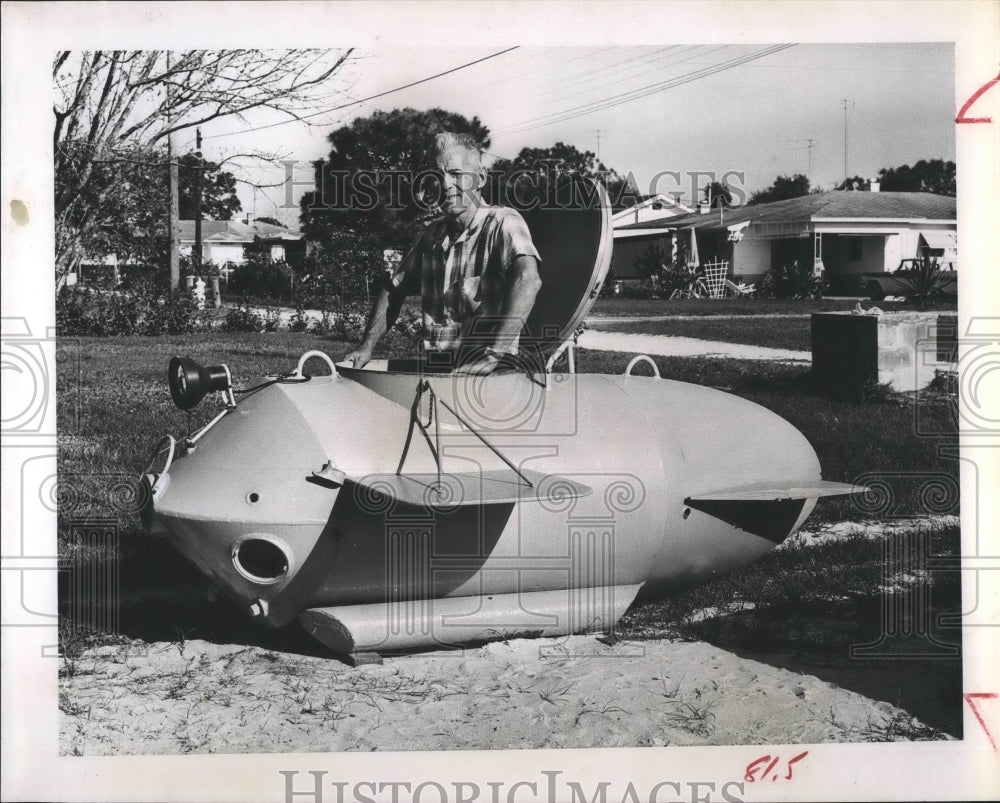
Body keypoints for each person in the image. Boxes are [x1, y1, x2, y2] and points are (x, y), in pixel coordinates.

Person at [344, 132, 542, 376]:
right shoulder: (432, 235)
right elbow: (393, 288)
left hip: (490, 379)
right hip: (438, 374)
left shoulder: (503, 222)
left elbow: (528, 280)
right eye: (438, 176)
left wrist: (493, 356)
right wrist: (367, 346)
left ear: (480, 178)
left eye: (456, 174)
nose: (446, 185)